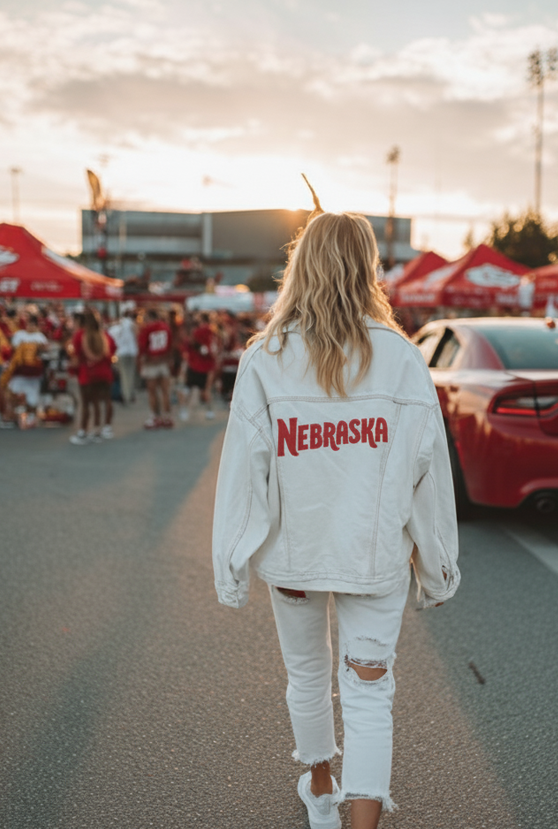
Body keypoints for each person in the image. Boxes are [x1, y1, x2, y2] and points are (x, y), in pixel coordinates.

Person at [212, 211, 460, 829]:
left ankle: (321, 792)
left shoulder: (266, 359)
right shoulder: (401, 359)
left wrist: (233, 566)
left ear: (299, 267)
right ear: (368, 268)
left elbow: (244, 476)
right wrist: (437, 570)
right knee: (371, 692)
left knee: (307, 675)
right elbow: (429, 477)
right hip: (374, 558)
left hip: (294, 556)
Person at [69, 309, 117, 445]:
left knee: (86, 403)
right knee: (105, 400)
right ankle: (102, 428)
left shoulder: (79, 335)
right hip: (105, 372)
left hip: (87, 373)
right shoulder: (105, 335)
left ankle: (83, 431)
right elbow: (112, 351)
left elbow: (76, 356)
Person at [0, 313, 49, 427]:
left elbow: (45, 352)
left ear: (36, 325)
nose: (30, 326)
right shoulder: (19, 335)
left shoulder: (40, 337)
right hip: (19, 372)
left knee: (32, 397)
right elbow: (13, 351)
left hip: (33, 373)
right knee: (12, 393)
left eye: (32, 324)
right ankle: (11, 416)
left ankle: (31, 417)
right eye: (28, 323)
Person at [138, 308, 174, 429]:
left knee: (152, 392)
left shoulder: (147, 329)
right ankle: (167, 416)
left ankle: (155, 416)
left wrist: (142, 361)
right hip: (163, 361)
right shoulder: (165, 327)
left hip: (151, 362)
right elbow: (170, 345)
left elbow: (143, 346)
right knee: (165, 391)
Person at [180, 312, 218, 421]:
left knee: (188, 389)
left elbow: (186, 349)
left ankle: (184, 410)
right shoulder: (213, 332)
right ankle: (209, 411)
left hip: (195, 364)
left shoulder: (197, 332)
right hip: (208, 365)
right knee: (206, 390)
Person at [108, 310, 138, 404]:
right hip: (131, 352)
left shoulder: (114, 328)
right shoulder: (130, 323)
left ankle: (126, 394)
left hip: (120, 353)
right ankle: (128, 395)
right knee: (130, 374)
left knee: (123, 375)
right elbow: (137, 334)